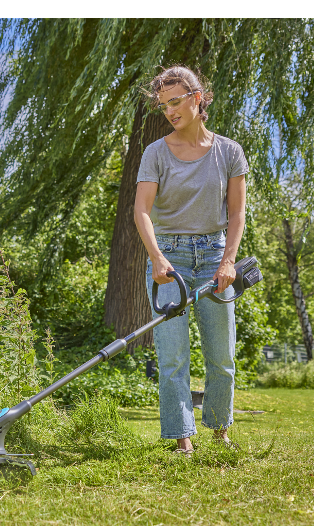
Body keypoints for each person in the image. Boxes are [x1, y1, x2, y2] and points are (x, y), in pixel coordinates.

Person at [134, 65, 248, 454]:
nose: (169, 111)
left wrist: (228, 261)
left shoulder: (229, 151)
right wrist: (157, 258)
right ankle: (182, 438)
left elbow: (237, 213)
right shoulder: (155, 153)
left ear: (197, 98)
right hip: (170, 259)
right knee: (172, 357)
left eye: (175, 102)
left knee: (222, 355)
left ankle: (220, 430)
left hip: (215, 255)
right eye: (163, 105)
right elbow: (141, 211)